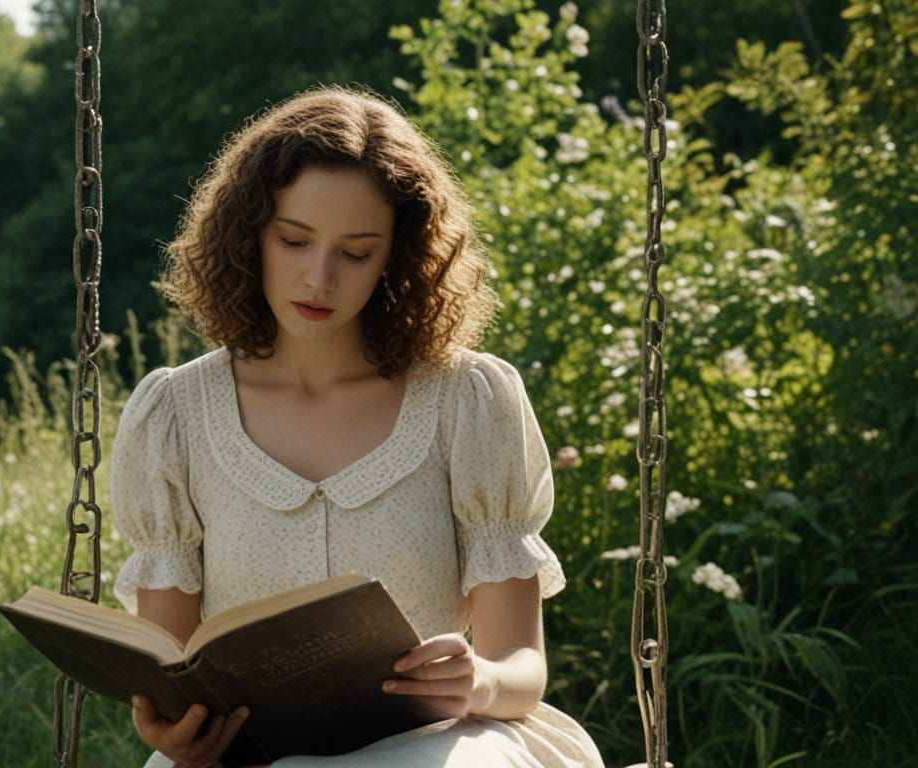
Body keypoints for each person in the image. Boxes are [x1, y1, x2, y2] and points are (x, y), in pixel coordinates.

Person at [110, 85, 605, 768]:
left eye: (357, 251)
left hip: (439, 743)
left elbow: (521, 666)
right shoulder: (175, 415)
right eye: (294, 240)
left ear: (398, 257)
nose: (319, 277)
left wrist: (479, 679)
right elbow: (169, 673)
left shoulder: (467, 399)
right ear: (249, 233)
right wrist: (170, 735)